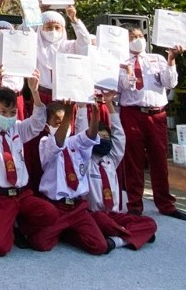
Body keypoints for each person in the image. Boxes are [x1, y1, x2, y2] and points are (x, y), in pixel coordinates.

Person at [0, 67, 63, 256]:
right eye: (3, 111)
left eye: (12, 112)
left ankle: (17, 224)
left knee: (51, 213)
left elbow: (38, 123)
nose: (8, 116)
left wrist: (35, 91)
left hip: (22, 195)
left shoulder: (18, 128)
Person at [118, 27, 186, 220]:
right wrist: (128, 75)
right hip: (132, 113)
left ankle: (165, 203)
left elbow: (170, 82)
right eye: (133, 37)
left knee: (159, 158)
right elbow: (118, 89)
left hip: (156, 114)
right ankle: (134, 205)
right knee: (133, 160)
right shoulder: (120, 62)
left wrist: (172, 59)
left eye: (140, 36)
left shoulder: (156, 58)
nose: (137, 40)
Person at [76, 96, 158, 249]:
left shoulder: (111, 160)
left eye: (107, 138)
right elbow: (81, 134)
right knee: (101, 221)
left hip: (114, 214)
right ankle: (132, 235)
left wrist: (109, 105)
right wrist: (81, 107)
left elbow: (120, 136)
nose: (104, 141)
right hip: (94, 214)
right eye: (100, 138)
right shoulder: (84, 159)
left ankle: (117, 241)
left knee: (150, 223)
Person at [38, 101, 114, 255]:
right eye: (57, 122)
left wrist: (95, 116)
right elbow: (58, 142)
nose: (62, 126)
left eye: (65, 122)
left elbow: (90, 135)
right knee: (41, 243)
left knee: (99, 246)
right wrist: (68, 112)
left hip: (77, 207)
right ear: (47, 125)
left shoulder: (76, 142)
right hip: (56, 206)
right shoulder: (45, 143)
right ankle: (62, 230)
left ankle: (68, 234)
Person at [35, 7, 91, 105]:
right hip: (41, 95)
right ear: (41, 29)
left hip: (65, 97)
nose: (53, 31)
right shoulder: (35, 47)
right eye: (48, 27)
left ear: (63, 29)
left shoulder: (69, 46)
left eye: (57, 27)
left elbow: (85, 41)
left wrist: (74, 19)